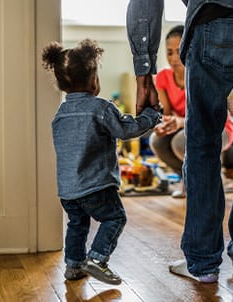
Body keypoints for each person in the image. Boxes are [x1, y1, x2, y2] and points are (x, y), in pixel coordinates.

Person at [127, 0, 233, 283]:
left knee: (203, 139)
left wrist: (143, 76)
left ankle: (203, 262)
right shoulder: (170, 77)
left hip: (217, 13)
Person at [41, 39, 161, 285]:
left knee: (77, 224)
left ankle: (73, 266)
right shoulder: (100, 108)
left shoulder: (59, 115)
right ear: (93, 80)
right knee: (114, 218)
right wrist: (150, 116)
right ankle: (97, 259)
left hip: (68, 191)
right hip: (96, 185)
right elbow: (126, 130)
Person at [149, 25, 233, 198]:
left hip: (218, 128)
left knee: (180, 142)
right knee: (156, 140)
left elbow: (205, 117)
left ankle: (213, 179)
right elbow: (166, 113)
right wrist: (163, 125)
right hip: (187, 126)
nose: (174, 58)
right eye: (169, 52)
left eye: (179, 50)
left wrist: (179, 122)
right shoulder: (162, 78)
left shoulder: (201, 74)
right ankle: (187, 181)